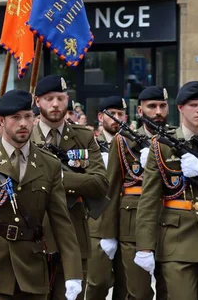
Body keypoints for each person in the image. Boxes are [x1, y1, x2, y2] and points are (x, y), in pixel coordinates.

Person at [0, 90, 83, 300]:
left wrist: (73, 273)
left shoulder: (48, 163)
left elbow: (62, 222)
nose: (23, 123)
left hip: (32, 269)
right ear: (1, 122)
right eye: (16, 118)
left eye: (28, 116)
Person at [135, 81, 198, 299]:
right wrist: (144, 246)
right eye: (193, 105)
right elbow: (149, 199)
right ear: (180, 108)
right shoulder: (161, 144)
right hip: (176, 239)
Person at [31, 75, 108, 300]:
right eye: (49, 99)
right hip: (35, 233)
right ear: (38, 102)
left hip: (74, 233)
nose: (55, 104)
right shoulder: (26, 138)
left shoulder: (83, 137)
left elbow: (100, 183)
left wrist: (57, 178)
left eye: (60, 98)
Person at [100, 87, 170, 300]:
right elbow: (112, 188)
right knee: (138, 292)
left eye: (162, 106)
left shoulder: (175, 139)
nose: (158, 111)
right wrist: (108, 234)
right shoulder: (123, 141)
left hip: (170, 223)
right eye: (152, 106)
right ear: (140, 110)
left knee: (169, 290)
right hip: (132, 225)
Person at [85, 97, 128, 300]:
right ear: (101, 117)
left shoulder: (134, 147)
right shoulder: (90, 146)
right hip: (98, 223)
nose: (117, 118)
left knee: (127, 285)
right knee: (97, 283)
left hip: (128, 223)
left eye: (121, 114)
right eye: (112, 114)